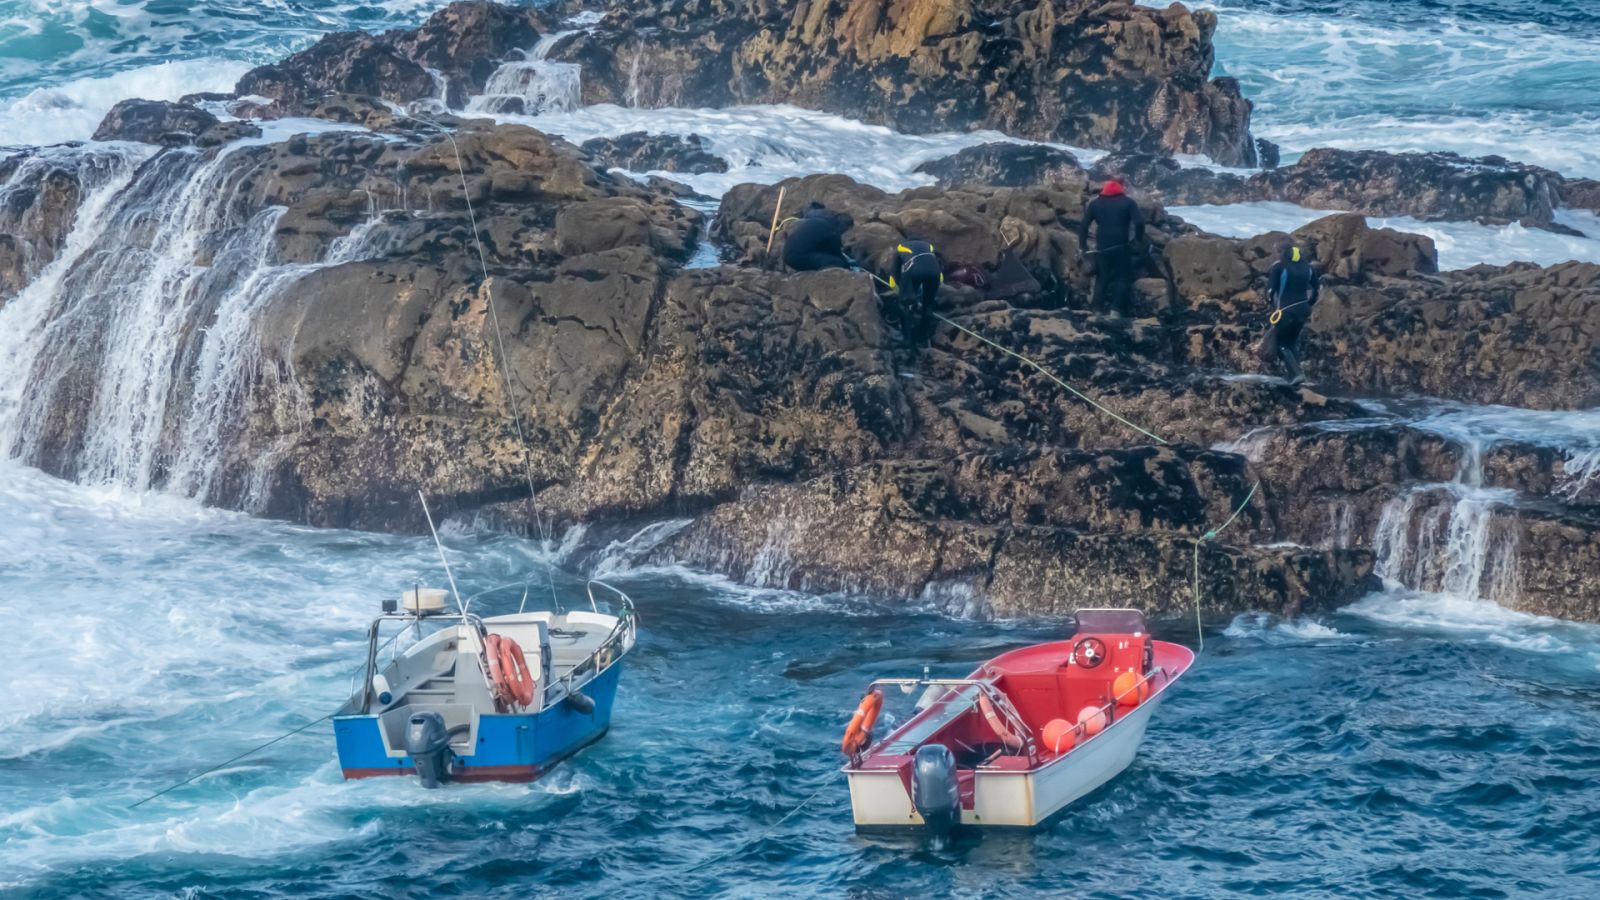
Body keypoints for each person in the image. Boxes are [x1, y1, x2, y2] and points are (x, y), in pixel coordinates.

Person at [1077, 179, 1145, 316]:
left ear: (1104, 191)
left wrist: (1083, 247)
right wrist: (1137, 239)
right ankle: (1115, 309)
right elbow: (1139, 223)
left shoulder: (1095, 204)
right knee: (1123, 277)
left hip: (1101, 248)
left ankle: (1096, 310)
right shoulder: (1128, 202)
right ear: (1121, 190)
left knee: (1102, 278)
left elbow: (1083, 227)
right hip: (1121, 246)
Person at [1260, 242, 1321, 385]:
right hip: (1303, 310)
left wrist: (1272, 305)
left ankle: (1296, 374)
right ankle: (1296, 376)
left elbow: (1270, 292)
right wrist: (1309, 303)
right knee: (1291, 343)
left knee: (1280, 343)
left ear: (1282, 253)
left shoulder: (1279, 266)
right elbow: (1316, 289)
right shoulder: (1309, 268)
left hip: (1286, 311)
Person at [887, 239, 942, 345]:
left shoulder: (900, 247)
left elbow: (894, 274)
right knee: (928, 305)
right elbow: (938, 267)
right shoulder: (928, 245)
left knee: (905, 305)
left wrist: (902, 292)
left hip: (914, 271)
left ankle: (907, 339)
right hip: (935, 273)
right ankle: (923, 335)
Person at [783, 202, 853, 272]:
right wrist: (848, 268)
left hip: (786, 254)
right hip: (797, 258)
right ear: (843, 226)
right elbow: (836, 253)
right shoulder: (832, 232)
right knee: (836, 262)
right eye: (846, 229)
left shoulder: (818, 221)